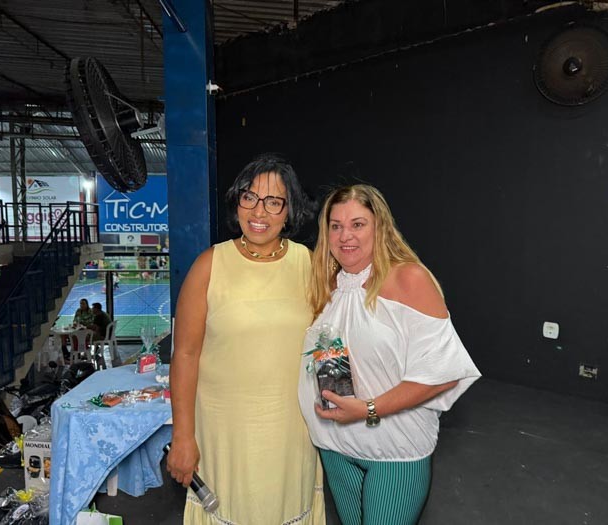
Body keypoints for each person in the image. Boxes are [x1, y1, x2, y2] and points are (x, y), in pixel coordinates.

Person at [298, 184, 481, 525]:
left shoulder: (408, 279)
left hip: (393, 452)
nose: (345, 236)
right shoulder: (328, 285)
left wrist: (368, 409)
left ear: (379, 227)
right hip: (335, 447)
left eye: (357, 224)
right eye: (336, 226)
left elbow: (443, 374)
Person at [167, 154, 325, 525]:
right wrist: (183, 436)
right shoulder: (210, 265)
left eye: (273, 202)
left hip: (291, 433)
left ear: (289, 210)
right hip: (224, 435)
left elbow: (330, 344)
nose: (258, 211)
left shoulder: (309, 264)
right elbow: (185, 355)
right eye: (249, 197)